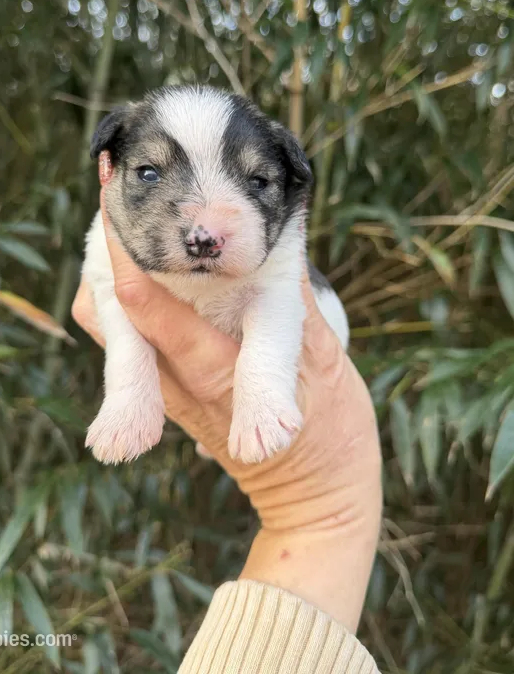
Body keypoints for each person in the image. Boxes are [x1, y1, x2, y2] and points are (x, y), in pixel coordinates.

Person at [72, 188, 383, 673]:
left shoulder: (262, 256)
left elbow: (272, 304)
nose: (202, 228)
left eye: (253, 183)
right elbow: (107, 289)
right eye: (152, 174)